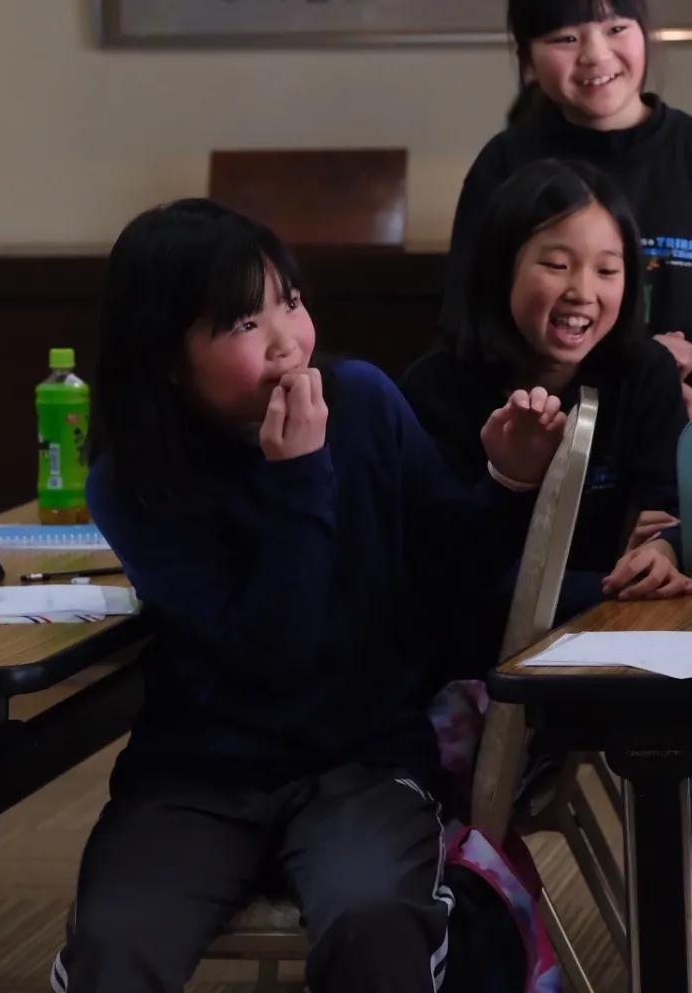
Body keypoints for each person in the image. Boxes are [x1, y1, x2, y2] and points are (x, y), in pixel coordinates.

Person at [56, 199, 566, 993]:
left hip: (363, 760)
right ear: (166, 360)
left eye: (289, 302)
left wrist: (509, 479)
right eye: (243, 323)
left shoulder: (361, 401)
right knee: (115, 945)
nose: (287, 340)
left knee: (375, 920)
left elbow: (458, 575)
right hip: (197, 776)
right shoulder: (133, 480)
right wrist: (298, 477)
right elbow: (273, 656)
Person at [442, 0, 692, 416]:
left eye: (616, 28)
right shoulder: (504, 165)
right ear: (527, 56)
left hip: (678, 426)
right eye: (565, 38)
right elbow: (469, 318)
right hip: (541, 425)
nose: (595, 55)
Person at [404, 158, 692, 677]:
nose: (582, 292)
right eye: (557, 265)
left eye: (607, 270)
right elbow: (452, 576)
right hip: (480, 666)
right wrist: (510, 481)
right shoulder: (436, 389)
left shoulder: (644, 371)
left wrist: (665, 552)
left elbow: (675, 508)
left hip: (625, 640)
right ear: (501, 268)